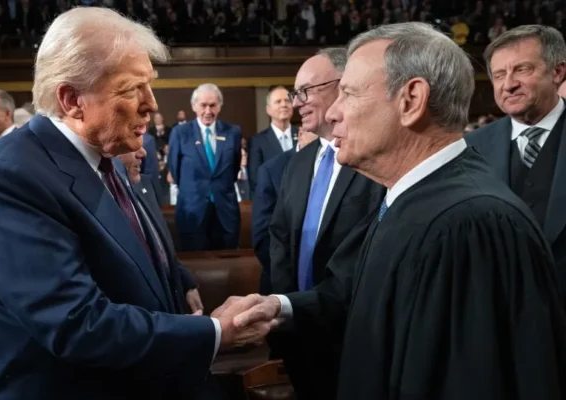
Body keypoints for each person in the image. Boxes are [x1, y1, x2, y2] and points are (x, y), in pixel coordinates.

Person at [214, 22, 566, 399]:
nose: (332, 113)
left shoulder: (468, 222)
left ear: (411, 100)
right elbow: (357, 292)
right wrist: (277, 306)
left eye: (348, 93)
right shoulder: (410, 197)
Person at [0, 8, 272, 400]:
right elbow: (76, 323)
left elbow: (129, 252)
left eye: (149, 86)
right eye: (131, 90)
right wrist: (215, 333)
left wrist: (176, 280)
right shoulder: (9, 175)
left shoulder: (104, 157)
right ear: (72, 99)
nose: (151, 104)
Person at [268, 47, 384, 400]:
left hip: (352, 334)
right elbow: (279, 239)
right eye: (294, 93)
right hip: (298, 332)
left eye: (306, 90)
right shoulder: (299, 162)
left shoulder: (371, 159)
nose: (297, 102)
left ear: (343, 86)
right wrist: (287, 309)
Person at [466, 25, 566, 294]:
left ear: (557, 72)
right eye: (499, 75)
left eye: (522, 69)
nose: (508, 84)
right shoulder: (470, 147)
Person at [115, 146, 204, 315]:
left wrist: (187, 284)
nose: (143, 153)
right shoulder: (105, 198)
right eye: (134, 145)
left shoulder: (144, 184)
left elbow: (162, 247)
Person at [168, 83, 242, 251]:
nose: (208, 111)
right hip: (192, 213)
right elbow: (175, 169)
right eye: (203, 105)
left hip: (225, 214)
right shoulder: (180, 133)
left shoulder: (233, 132)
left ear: (220, 106)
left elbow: (234, 169)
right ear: (194, 106)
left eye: (213, 105)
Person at [252, 127, 317, 295]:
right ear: (301, 134)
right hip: (280, 285)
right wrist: (287, 279)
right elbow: (262, 237)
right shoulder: (272, 169)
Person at [248, 86, 297, 194]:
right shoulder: (258, 141)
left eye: (287, 100)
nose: (283, 105)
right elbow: (256, 179)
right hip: (274, 202)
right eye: (278, 102)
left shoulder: (304, 135)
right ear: (268, 110)